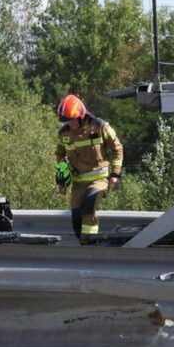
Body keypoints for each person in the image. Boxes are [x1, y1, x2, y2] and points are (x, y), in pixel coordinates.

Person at [54, 94, 123, 244]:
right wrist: (61, 181)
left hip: (99, 179)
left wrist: (115, 174)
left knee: (89, 204)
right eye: (66, 121)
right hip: (78, 183)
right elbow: (60, 156)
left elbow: (117, 148)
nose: (69, 124)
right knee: (77, 219)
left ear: (80, 116)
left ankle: (91, 243)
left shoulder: (99, 127)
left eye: (71, 120)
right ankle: (84, 244)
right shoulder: (64, 134)